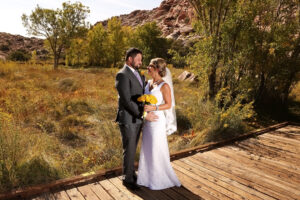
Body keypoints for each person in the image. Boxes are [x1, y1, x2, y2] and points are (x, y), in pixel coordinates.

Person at [115, 48, 158, 190]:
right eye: (138, 59)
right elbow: (127, 101)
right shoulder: (122, 75)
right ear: (129, 59)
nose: (141, 62)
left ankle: (131, 173)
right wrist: (143, 114)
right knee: (129, 149)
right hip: (128, 119)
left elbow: (140, 94)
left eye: (141, 59)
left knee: (133, 148)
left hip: (137, 118)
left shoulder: (137, 73)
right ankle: (127, 179)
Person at [137, 58, 181, 190]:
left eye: (150, 66)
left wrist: (154, 108)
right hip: (147, 121)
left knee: (156, 148)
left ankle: (158, 179)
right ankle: (146, 177)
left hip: (157, 121)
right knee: (147, 148)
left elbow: (168, 104)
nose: (147, 68)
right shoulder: (148, 83)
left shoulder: (164, 86)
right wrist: (145, 112)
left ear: (157, 69)